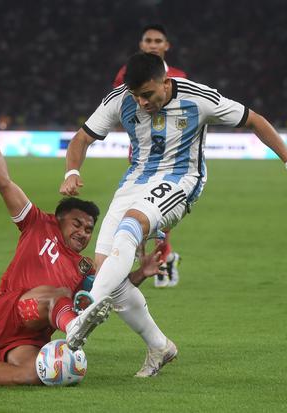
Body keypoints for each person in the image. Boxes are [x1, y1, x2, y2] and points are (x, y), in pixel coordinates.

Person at [60, 52, 287, 376]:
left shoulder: (199, 98)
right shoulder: (119, 99)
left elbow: (253, 119)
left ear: (166, 82)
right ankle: (159, 346)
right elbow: (82, 137)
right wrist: (71, 172)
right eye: (136, 97)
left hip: (180, 180)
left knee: (132, 225)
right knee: (108, 273)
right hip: (134, 181)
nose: (142, 103)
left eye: (148, 95)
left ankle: (82, 316)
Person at [0, 98, 165, 386]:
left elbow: (112, 289)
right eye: (77, 224)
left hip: (28, 337)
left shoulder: (84, 266)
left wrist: (141, 272)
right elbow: (4, 182)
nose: (83, 233)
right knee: (57, 293)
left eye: (89, 229)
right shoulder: (38, 224)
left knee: (35, 375)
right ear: (58, 219)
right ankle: (75, 325)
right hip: (7, 311)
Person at [113, 24, 186, 288]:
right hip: (141, 155)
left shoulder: (179, 76)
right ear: (141, 45)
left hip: (172, 159)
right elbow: (121, 108)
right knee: (139, 212)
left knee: (158, 216)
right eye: (148, 40)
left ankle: (163, 257)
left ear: (167, 46)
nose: (153, 45)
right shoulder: (126, 75)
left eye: (158, 41)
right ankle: (152, 262)